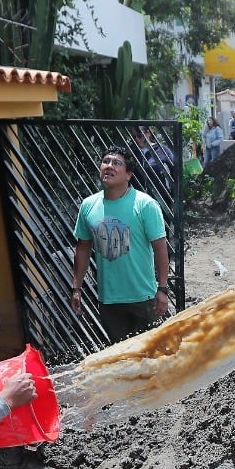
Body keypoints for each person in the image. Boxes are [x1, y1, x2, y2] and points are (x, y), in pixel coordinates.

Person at [71, 146, 172, 344]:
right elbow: (83, 248)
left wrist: (162, 289)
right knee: (122, 360)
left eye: (117, 163)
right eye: (106, 161)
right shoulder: (88, 206)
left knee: (152, 355)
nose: (109, 166)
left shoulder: (145, 205)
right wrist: (76, 288)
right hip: (109, 300)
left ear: (129, 175)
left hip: (143, 298)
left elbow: (160, 249)